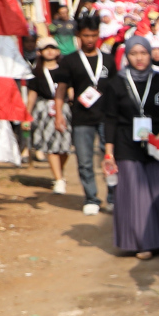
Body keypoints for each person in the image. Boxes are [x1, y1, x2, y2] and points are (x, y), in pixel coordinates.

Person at [105, 35, 159, 258]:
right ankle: (142, 242)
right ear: (127, 55)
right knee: (134, 193)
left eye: (143, 53)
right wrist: (109, 152)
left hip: (156, 142)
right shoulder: (116, 83)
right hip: (127, 143)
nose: (139, 58)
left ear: (150, 54)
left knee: (158, 190)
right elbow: (110, 119)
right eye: (134, 53)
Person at [54, 12, 118, 214]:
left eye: (93, 35)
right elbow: (61, 90)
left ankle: (113, 197)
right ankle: (91, 198)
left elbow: (117, 89)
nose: (90, 40)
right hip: (82, 117)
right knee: (84, 160)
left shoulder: (108, 59)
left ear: (99, 34)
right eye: (85, 35)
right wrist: (58, 114)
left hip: (108, 117)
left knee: (110, 158)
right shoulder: (70, 61)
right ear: (78, 36)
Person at [26, 37, 73, 193]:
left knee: (65, 147)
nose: (50, 51)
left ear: (58, 51)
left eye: (53, 47)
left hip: (65, 108)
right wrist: (26, 115)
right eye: (46, 48)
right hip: (45, 109)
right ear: (39, 52)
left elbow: (71, 90)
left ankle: (59, 171)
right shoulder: (36, 72)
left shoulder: (65, 69)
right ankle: (59, 179)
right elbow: (32, 95)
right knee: (51, 146)